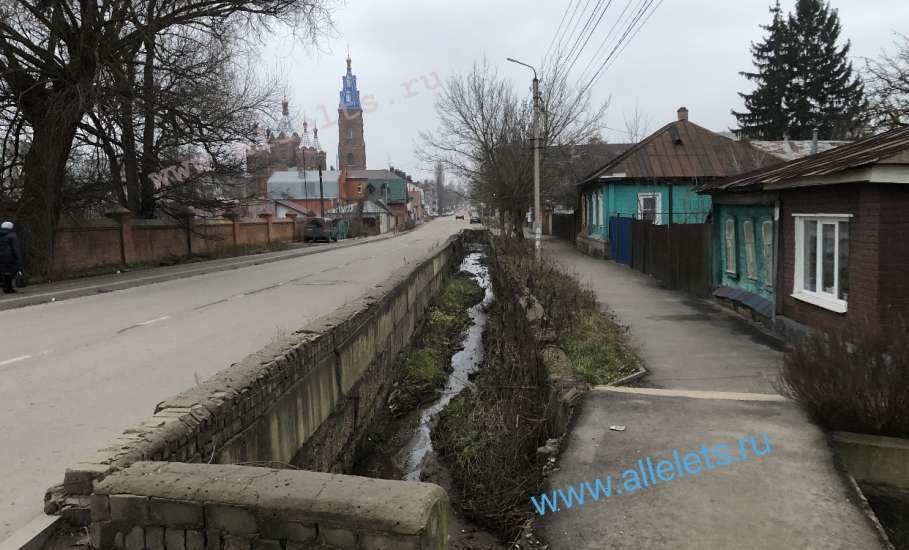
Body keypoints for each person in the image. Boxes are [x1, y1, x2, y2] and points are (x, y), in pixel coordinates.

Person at [0, 221, 23, 294]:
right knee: (11, 272)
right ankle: (9, 288)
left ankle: (6, 288)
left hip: (1, 258)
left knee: (5, 273)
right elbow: (16, 248)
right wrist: (19, 258)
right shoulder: (12, 236)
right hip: (10, 257)